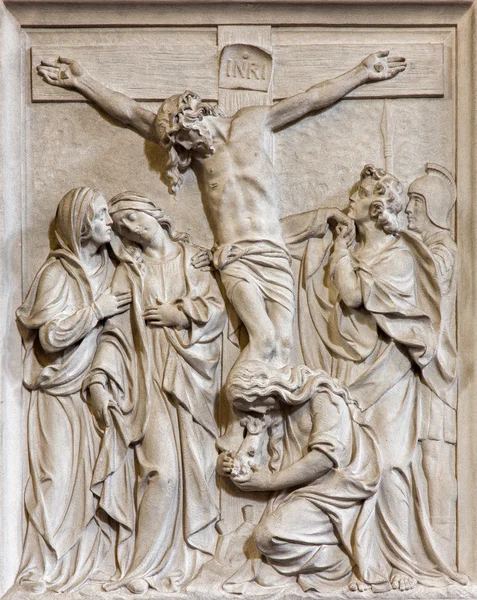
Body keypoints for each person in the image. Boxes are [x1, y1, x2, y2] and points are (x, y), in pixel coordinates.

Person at [37, 51, 406, 369]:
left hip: (274, 252)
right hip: (236, 256)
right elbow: (133, 114)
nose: (186, 148)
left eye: (185, 137)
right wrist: (83, 82)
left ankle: (260, 442)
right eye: (179, 144)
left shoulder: (253, 122)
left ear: (195, 112)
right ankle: (235, 430)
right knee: (261, 339)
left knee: (283, 346)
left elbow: (310, 101)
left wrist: (361, 73)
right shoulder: (197, 155)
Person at [280, 165, 466, 591]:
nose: (350, 200)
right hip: (347, 369)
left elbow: (351, 294)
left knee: (392, 464)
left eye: (359, 196)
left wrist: (342, 247)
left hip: (389, 375)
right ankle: (360, 558)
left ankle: (402, 559)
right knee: (348, 462)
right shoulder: (352, 247)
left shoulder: (399, 256)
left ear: (377, 206)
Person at [83, 192, 226, 595]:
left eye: (132, 215)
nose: (128, 225)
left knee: (197, 473)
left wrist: (181, 314)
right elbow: (115, 334)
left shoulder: (192, 258)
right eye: (120, 222)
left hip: (193, 384)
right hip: (149, 385)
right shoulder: (129, 270)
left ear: (155, 214)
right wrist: (98, 379)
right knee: (162, 473)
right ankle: (140, 566)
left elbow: (217, 309)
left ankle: (184, 560)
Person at [15, 187, 131, 593]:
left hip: (95, 389)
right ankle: (37, 568)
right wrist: (96, 310)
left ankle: (87, 564)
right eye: (100, 216)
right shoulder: (56, 273)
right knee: (56, 477)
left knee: (94, 478)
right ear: (81, 224)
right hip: (59, 392)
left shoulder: (108, 265)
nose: (109, 222)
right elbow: (49, 337)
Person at [219, 361, 381, 595]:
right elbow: (246, 456)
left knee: (268, 536)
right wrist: (225, 465)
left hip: (337, 489)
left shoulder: (322, 395)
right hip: (298, 490)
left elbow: (324, 459)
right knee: (260, 559)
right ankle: (320, 559)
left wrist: (269, 483)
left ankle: (340, 563)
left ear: (267, 389)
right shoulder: (275, 409)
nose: (258, 412)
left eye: (256, 404)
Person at [406, 163, 458, 559]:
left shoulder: (443, 248)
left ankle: (440, 534)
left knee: (433, 451)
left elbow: (427, 280)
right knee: (418, 451)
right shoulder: (422, 244)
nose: (408, 210)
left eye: (415, 203)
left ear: (433, 208)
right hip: (412, 364)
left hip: (434, 366)